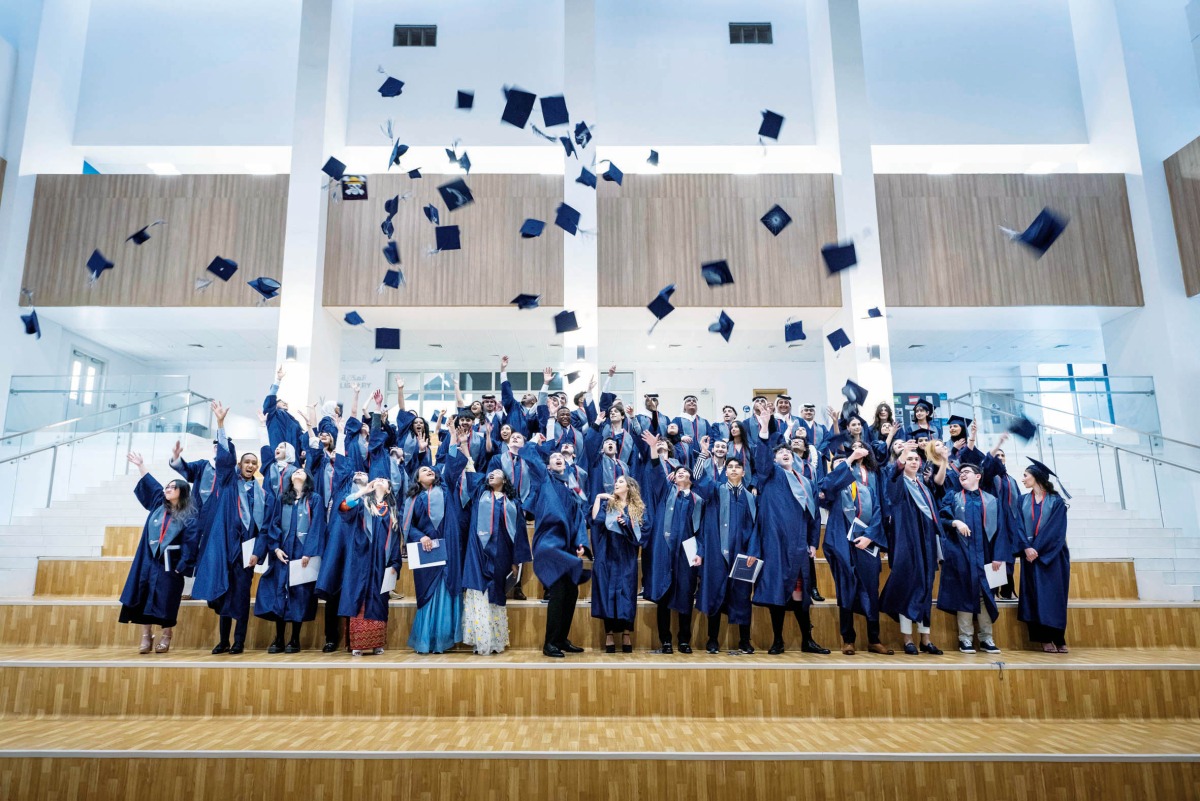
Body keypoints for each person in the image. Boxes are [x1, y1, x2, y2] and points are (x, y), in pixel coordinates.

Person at [749, 408, 829, 656]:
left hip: (798, 545)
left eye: (788, 451)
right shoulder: (769, 475)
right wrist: (764, 429)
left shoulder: (806, 482)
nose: (784, 453)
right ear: (774, 459)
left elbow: (813, 516)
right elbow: (761, 459)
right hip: (774, 544)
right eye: (780, 452)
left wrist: (813, 542)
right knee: (777, 593)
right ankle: (777, 641)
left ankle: (808, 639)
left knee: (800, 595)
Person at [191, 400, 263, 655]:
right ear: (240, 465)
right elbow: (224, 458)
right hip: (225, 546)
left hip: (246, 549)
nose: (251, 465)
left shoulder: (260, 493)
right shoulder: (228, 480)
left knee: (242, 596)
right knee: (223, 591)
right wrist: (220, 424)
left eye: (255, 463)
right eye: (247, 461)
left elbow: (263, 527)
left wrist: (258, 553)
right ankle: (223, 640)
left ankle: (239, 641)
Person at [119, 452, 199, 654]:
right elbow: (151, 484)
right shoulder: (158, 504)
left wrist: (182, 567)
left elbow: (191, 543)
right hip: (148, 561)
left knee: (166, 601)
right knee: (143, 598)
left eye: (172, 487)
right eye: (167, 486)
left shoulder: (188, 515)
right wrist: (141, 465)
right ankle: (146, 636)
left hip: (169, 565)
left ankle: (166, 635)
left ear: (182, 491)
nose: (167, 489)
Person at [818, 442, 892, 656]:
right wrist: (847, 462)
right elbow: (826, 489)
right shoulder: (841, 475)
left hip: (866, 542)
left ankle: (874, 639)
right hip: (841, 539)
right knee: (845, 588)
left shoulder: (874, 477)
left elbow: (880, 508)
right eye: (853, 447)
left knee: (870, 588)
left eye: (862, 446)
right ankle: (847, 639)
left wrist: (870, 537)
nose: (857, 448)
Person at [522, 444, 591, 657]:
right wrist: (538, 443)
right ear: (549, 466)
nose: (558, 458)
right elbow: (530, 457)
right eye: (553, 457)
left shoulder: (572, 486)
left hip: (568, 544)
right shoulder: (544, 479)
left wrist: (581, 542)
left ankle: (561, 639)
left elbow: (579, 516)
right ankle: (549, 643)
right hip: (550, 543)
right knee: (559, 593)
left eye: (561, 456)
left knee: (571, 593)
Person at [404, 434, 470, 654]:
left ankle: (444, 638)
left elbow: (452, 466)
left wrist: (454, 442)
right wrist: (420, 536)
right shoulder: (412, 498)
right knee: (428, 593)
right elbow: (407, 526)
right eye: (424, 470)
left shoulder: (447, 489)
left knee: (447, 588)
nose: (429, 470)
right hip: (427, 550)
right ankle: (427, 639)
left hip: (449, 547)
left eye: (431, 469)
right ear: (417, 478)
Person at [457, 461, 531, 655]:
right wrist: (464, 448)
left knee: (495, 595)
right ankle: (481, 640)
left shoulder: (513, 504)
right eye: (490, 473)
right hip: (478, 551)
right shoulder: (480, 495)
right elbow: (472, 474)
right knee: (479, 592)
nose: (491, 475)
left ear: (505, 480)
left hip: (502, 554)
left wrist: (516, 562)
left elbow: (520, 533)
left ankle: (495, 640)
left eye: (496, 473)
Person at [937, 456, 1009, 655]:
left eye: (967, 472)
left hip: (987, 557)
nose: (962, 474)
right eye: (960, 473)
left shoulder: (991, 500)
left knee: (986, 596)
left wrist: (998, 556)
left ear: (978, 476)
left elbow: (1002, 530)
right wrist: (955, 523)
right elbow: (941, 517)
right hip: (961, 555)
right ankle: (965, 639)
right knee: (964, 595)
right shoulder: (953, 497)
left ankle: (987, 639)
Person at [879, 441, 944, 656]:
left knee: (926, 588)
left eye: (917, 459)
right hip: (907, 542)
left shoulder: (924, 488)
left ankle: (926, 638)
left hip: (926, 543)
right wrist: (903, 453)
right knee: (908, 587)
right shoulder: (899, 483)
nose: (914, 462)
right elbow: (892, 479)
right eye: (910, 459)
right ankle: (908, 639)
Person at [642, 434, 704, 654]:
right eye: (678, 473)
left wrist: (700, 552)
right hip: (665, 550)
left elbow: (701, 530)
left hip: (687, 552)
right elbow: (656, 473)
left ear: (690, 478)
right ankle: (665, 641)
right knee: (664, 596)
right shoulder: (665, 493)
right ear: (673, 477)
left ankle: (684, 640)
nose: (682, 474)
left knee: (686, 594)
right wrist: (653, 450)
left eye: (685, 472)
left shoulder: (697, 500)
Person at [254, 468, 326, 653]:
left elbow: (317, 525)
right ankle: (278, 638)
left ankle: (294, 639)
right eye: (295, 471)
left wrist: (309, 552)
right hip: (283, 552)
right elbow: (274, 524)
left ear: (308, 478)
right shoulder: (282, 498)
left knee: (299, 594)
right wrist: (276, 548)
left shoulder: (314, 499)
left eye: (301, 471)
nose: (297, 473)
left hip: (303, 552)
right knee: (279, 592)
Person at [694, 455, 759, 654]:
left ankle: (744, 640)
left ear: (743, 472)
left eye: (736, 467)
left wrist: (753, 551)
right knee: (715, 594)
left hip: (742, 554)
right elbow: (698, 479)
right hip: (717, 553)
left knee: (742, 596)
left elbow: (756, 527)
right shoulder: (716, 490)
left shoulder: (750, 497)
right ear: (725, 471)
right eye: (729, 467)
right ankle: (712, 639)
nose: (732, 470)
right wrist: (703, 456)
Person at [337, 474, 400, 656]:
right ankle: (358, 643)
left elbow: (396, 541)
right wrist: (362, 491)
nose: (380, 479)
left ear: (389, 489)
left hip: (381, 561)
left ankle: (376, 642)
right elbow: (343, 508)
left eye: (384, 480)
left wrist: (395, 563)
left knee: (378, 599)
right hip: (360, 558)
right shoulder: (362, 505)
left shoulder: (393, 512)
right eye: (377, 479)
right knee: (360, 596)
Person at [1015, 458, 1071, 653]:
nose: (1022, 479)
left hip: (1052, 557)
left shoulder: (1056, 502)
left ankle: (1058, 637)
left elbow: (1056, 531)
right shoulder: (1022, 500)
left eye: (1025, 476)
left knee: (1053, 597)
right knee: (1034, 598)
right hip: (1030, 557)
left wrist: (1036, 549)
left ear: (1036, 477)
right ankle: (1043, 638)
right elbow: (1018, 527)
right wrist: (1026, 548)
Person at [591, 475, 649, 653]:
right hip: (607, 551)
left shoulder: (637, 509)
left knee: (627, 593)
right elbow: (595, 521)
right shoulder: (608, 505)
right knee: (606, 592)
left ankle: (626, 633)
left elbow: (643, 533)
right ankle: (608, 634)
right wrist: (598, 498)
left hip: (626, 553)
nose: (616, 484)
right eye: (616, 483)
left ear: (629, 487)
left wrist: (627, 525)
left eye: (621, 482)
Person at [985, 434, 1022, 602]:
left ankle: (1008, 591)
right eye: (997, 456)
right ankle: (993, 592)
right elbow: (987, 463)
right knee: (996, 556)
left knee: (1009, 557)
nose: (999, 458)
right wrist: (998, 443)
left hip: (1010, 523)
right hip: (995, 521)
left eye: (1002, 455)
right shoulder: (989, 477)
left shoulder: (1011, 480)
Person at [264, 365, 305, 460]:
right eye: (281, 401)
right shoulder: (272, 415)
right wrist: (278, 380)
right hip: (276, 457)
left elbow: (300, 436)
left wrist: (303, 449)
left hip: (293, 459)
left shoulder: (294, 421)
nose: (285, 403)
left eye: (286, 402)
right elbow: (270, 399)